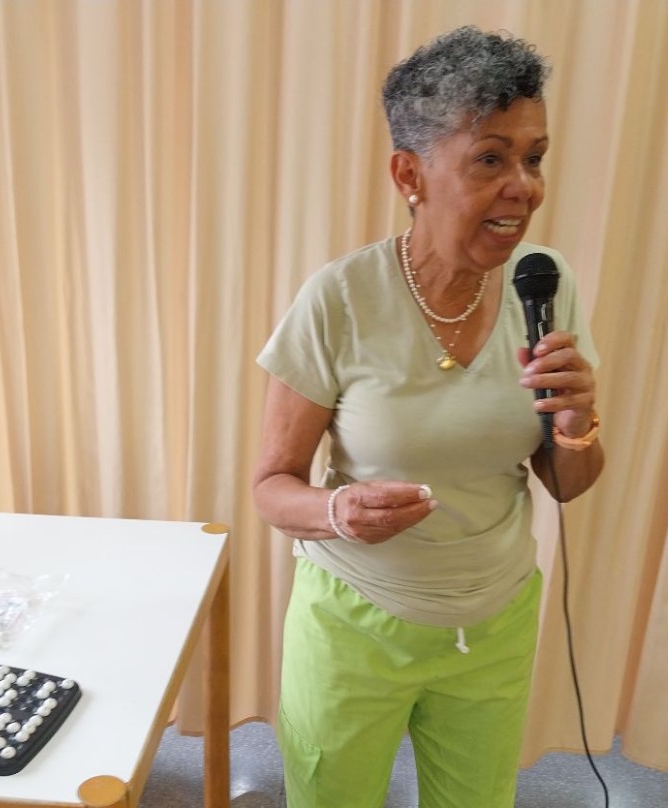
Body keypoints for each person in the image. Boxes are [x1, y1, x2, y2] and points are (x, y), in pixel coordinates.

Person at [252, 25, 604, 808]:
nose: (525, 186)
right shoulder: (340, 299)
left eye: (535, 157)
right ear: (409, 173)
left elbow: (566, 482)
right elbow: (272, 487)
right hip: (354, 625)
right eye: (491, 159)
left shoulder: (544, 283)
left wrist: (577, 423)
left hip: (493, 621)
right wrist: (339, 511)